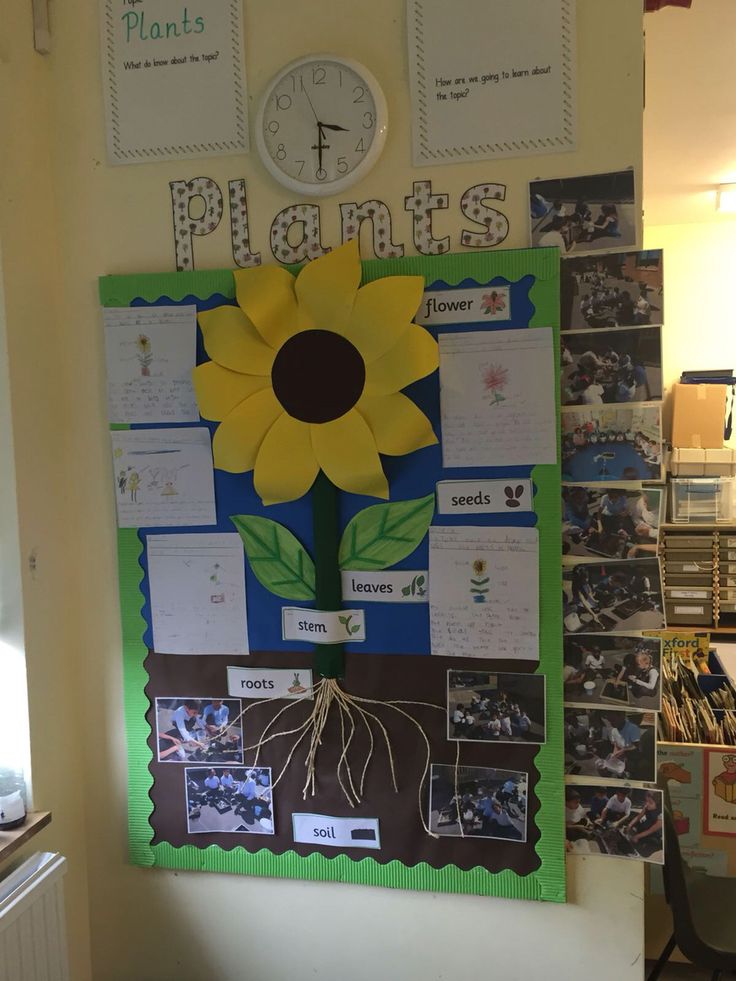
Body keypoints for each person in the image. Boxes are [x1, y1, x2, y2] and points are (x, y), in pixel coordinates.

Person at [625, 791, 662, 857]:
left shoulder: (661, 814)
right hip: (647, 824)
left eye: (650, 802)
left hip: (654, 832)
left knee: (651, 845)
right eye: (646, 801)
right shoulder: (646, 807)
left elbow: (651, 830)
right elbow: (638, 817)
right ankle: (637, 837)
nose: (647, 804)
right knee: (632, 816)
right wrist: (630, 825)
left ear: (658, 804)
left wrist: (637, 836)